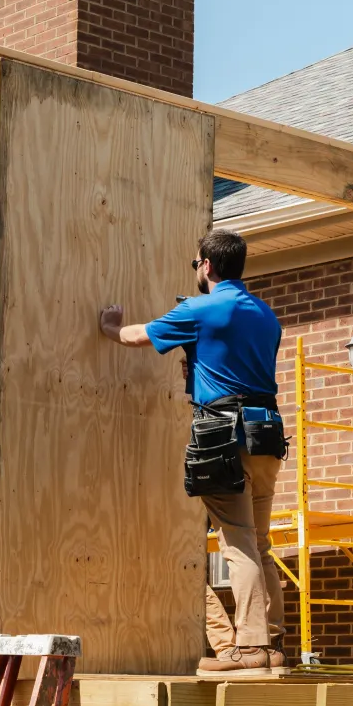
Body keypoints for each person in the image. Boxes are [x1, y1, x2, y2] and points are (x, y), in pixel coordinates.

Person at [98, 228, 286, 675]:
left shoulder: (199, 309)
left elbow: (139, 335)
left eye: (195, 264)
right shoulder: (266, 315)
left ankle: (251, 648)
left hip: (225, 432)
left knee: (237, 542)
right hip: (267, 433)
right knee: (259, 542)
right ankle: (273, 644)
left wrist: (108, 326)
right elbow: (234, 363)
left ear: (206, 265)